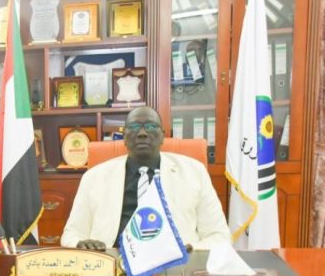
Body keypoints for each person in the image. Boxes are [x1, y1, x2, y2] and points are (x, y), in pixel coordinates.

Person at [61, 106, 230, 251]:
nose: (142, 133)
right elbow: (72, 234)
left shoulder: (194, 172)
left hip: (173, 264)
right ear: (124, 137)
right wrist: (82, 244)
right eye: (134, 127)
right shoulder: (93, 177)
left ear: (163, 135)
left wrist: (190, 249)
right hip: (113, 261)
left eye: (151, 126)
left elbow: (219, 236)